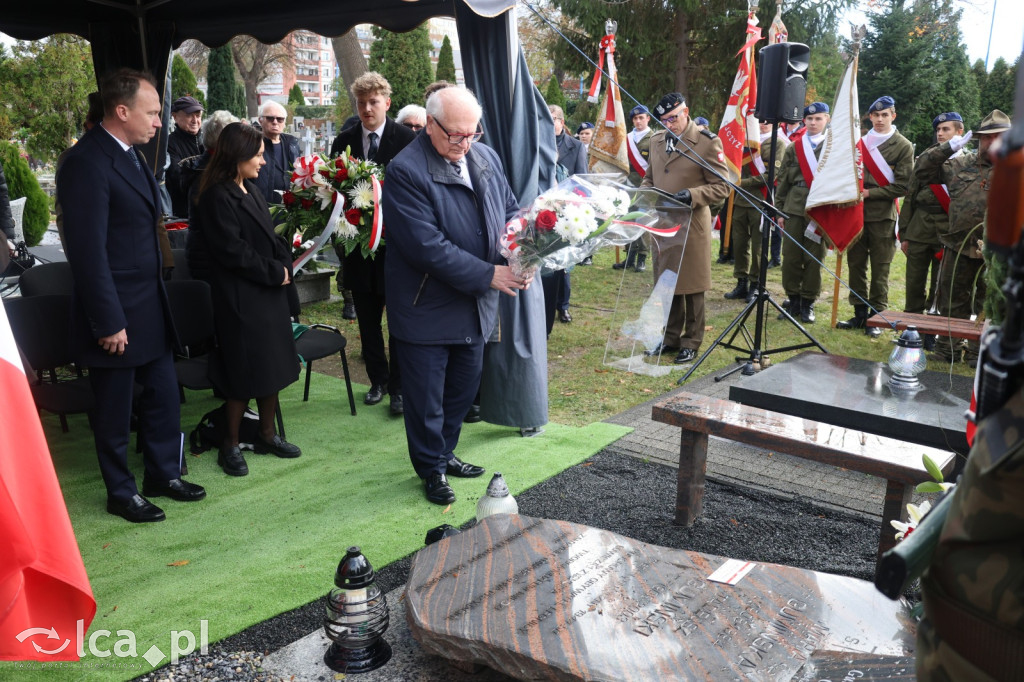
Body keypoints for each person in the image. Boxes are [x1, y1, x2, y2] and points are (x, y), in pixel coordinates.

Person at [58, 68, 206, 523]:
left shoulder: (131, 153)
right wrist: (108, 321)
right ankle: (120, 491)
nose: (160, 122)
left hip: (149, 303)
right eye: (153, 112)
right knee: (115, 408)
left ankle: (163, 473)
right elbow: (87, 252)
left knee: (163, 395)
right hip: (116, 311)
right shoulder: (86, 161)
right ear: (122, 112)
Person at [383, 87, 529, 505]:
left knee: (462, 391)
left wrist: (525, 253)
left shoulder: (484, 156)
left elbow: (511, 211)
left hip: (474, 302)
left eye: (472, 134)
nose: (465, 144)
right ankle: (431, 468)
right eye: (455, 136)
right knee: (426, 397)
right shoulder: (405, 170)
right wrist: (491, 275)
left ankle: (445, 453)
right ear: (429, 125)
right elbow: (427, 247)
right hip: (426, 305)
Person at [192, 122, 302, 476]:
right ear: (237, 156)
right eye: (257, 156)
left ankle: (267, 435)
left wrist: (286, 263)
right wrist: (276, 273)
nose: (263, 162)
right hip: (240, 299)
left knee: (270, 366)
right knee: (242, 374)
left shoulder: (251, 189)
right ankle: (231, 444)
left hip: (267, 294)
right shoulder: (215, 196)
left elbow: (269, 239)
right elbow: (233, 252)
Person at [328, 72, 416, 415]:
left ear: (387, 103)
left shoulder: (407, 139)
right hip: (358, 251)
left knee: (398, 322)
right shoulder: (344, 140)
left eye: (373, 102)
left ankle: (399, 388)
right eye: (361, 103)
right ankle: (377, 381)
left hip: (396, 249)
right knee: (367, 321)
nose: (367, 109)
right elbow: (335, 192)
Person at [914, 109, 1010, 365]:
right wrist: (946, 148)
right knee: (951, 300)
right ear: (978, 139)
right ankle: (948, 350)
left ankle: (979, 352)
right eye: (988, 137)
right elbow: (921, 170)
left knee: (988, 303)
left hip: (998, 251)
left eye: (1000, 136)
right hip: (958, 244)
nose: (994, 141)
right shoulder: (959, 164)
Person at [641, 92, 730, 364]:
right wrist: (642, 193)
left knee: (692, 286)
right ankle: (669, 337)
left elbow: (723, 186)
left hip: (691, 223)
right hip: (663, 222)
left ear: (686, 112)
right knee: (667, 284)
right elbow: (649, 177)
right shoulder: (656, 141)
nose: (670, 124)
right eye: (664, 120)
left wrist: (692, 195)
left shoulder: (705, 142)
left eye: (674, 118)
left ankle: (691, 341)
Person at [837, 96, 913, 337]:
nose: (880, 120)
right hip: (856, 215)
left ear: (893, 116)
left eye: (885, 115)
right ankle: (860, 313)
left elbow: (903, 186)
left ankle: (877, 316)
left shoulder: (903, 146)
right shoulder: (859, 142)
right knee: (856, 265)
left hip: (882, 217)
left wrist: (870, 193)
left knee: (881, 269)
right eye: (876, 115)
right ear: (869, 117)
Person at [898, 112, 963, 320]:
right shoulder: (926, 158)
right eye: (938, 130)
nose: (941, 134)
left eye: (946, 129)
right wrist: (905, 232)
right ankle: (911, 323)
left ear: (959, 132)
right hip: (920, 226)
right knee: (914, 279)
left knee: (941, 282)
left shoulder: (968, 162)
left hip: (948, 228)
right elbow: (911, 195)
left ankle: (933, 327)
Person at [775, 102, 831, 324]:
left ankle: (808, 302)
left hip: (820, 209)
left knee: (814, 258)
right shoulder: (793, 148)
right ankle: (793, 299)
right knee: (790, 258)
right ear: (803, 121)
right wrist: (779, 211)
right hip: (794, 208)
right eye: (809, 119)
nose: (813, 123)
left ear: (826, 119)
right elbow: (782, 182)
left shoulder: (834, 148)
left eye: (818, 118)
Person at [724, 120, 786, 306]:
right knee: (740, 244)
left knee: (759, 247)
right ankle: (741, 281)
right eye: (760, 121)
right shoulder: (744, 141)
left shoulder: (777, 143)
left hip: (761, 200)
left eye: (768, 121)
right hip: (741, 201)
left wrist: (743, 183)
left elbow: (772, 175)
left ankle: (756, 284)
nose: (763, 124)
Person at [181, 110, 239, 282]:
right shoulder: (207, 175)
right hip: (209, 260)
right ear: (225, 142)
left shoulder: (212, 168)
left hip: (208, 256)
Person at [545, 104, 586, 327]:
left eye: (554, 119)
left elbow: (582, 179)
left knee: (565, 263)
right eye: (546, 119)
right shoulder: (538, 142)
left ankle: (564, 306)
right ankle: (546, 306)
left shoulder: (577, 146)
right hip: (544, 209)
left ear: (562, 121)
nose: (550, 123)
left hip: (568, 209)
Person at [616, 104, 652, 272]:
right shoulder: (626, 138)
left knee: (642, 221)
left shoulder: (654, 138)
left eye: (641, 118)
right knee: (628, 220)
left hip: (646, 186)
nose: (638, 121)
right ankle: (629, 256)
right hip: (628, 185)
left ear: (648, 118)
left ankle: (642, 258)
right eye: (635, 119)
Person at [253, 100, 301, 206]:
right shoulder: (253, 144)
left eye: (280, 119)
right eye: (270, 118)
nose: (275, 122)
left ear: (284, 122)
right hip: (263, 206)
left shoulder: (292, 143)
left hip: (289, 208)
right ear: (260, 120)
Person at [166, 95, 204, 218]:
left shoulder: (208, 139)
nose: (195, 120)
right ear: (175, 116)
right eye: (189, 115)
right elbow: (178, 178)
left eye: (198, 116)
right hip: (185, 214)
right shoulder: (170, 143)